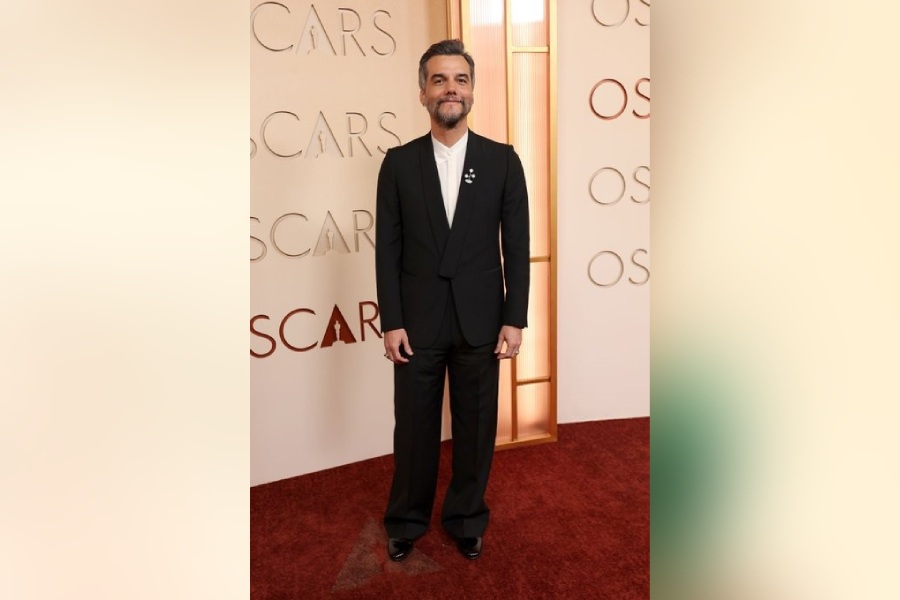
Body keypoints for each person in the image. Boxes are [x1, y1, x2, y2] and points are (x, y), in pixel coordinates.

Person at [375, 39, 530, 562]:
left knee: (477, 426)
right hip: (415, 324)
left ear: (472, 92)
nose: (450, 89)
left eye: (460, 80)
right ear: (422, 93)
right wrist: (390, 320)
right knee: (414, 430)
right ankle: (406, 520)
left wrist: (515, 319)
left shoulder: (503, 161)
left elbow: (519, 246)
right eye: (439, 80)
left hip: (482, 321)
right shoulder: (397, 164)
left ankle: (466, 517)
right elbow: (388, 250)